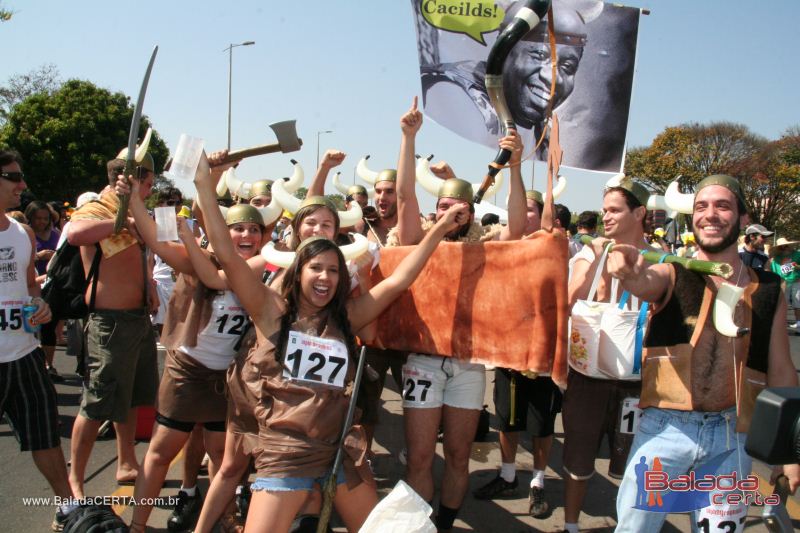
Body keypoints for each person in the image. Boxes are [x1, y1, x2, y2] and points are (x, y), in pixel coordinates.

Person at [193, 148, 469, 533]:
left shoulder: (347, 318)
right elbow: (225, 251)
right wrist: (204, 181)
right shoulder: (271, 310)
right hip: (285, 456)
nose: (325, 278)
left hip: (337, 454)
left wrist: (439, 229)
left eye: (333, 271)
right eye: (316, 269)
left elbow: (399, 280)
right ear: (298, 272)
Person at [606, 175, 800, 531]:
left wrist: (788, 451)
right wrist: (630, 273)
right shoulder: (673, 271)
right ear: (693, 219)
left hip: (733, 437)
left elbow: (782, 370)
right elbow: (646, 282)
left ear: (742, 220)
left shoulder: (769, 288)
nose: (710, 214)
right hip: (664, 432)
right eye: (701, 207)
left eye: (722, 206)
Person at [393, 96, 526, 531]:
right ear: (436, 210)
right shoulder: (416, 238)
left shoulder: (484, 241)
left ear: (471, 211)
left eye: (460, 208)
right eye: (443, 208)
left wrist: (517, 168)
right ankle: (419, 524)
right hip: (423, 361)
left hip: (469, 365)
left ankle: (445, 524)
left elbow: (520, 229)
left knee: (457, 455)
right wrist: (408, 138)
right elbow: (402, 195)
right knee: (417, 456)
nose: (451, 214)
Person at [116, 175, 268, 532]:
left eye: (254, 230)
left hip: (227, 379)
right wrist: (135, 198)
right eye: (238, 229)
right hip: (188, 372)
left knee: (221, 457)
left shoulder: (266, 269)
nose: (247, 236)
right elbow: (158, 238)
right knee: (161, 451)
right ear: (222, 232)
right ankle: (138, 524)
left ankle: (224, 522)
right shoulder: (200, 261)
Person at [66, 144, 160, 499]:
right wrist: (124, 219)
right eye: (148, 183)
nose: (150, 191)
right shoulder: (98, 208)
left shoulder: (133, 209)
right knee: (97, 402)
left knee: (133, 396)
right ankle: (75, 479)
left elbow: (141, 254)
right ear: (137, 179)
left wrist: (149, 283)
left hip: (137, 320)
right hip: (109, 323)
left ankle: (126, 461)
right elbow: (76, 233)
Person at [560, 179, 650, 533]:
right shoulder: (590, 252)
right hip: (588, 377)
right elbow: (566, 304)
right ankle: (570, 526)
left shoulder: (659, 258)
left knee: (634, 465)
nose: (606, 217)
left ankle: (632, 525)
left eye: (615, 210)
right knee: (577, 462)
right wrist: (595, 259)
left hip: (636, 384)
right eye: (605, 210)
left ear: (639, 213)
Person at [473, 191, 564, 519]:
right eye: (519, 208)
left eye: (530, 209)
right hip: (508, 352)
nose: (522, 215)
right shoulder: (501, 247)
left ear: (542, 214)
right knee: (508, 419)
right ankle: (508, 474)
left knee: (542, 425)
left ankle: (538, 482)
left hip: (543, 356)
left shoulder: (559, 249)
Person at [0, 150, 76, 530]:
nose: (22, 185)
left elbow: (30, 283)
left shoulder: (21, 233)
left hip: (25, 354)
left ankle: (67, 506)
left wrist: (39, 303)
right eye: (13, 176)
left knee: (45, 436)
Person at [421, 4, 586, 158]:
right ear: (504, 50)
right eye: (540, 56)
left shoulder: (544, 137)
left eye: (568, 67)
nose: (552, 78)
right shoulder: (452, 92)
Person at [24, 199, 63, 380]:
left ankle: (48, 364)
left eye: (45, 218)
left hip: (52, 285)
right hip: (30, 284)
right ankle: (31, 365)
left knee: (48, 326)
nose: (42, 222)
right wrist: (39, 255)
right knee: (31, 326)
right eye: (38, 218)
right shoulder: (25, 234)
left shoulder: (56, 234)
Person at [768, 237, 800, 330]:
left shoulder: (798, 255)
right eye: (782, 247)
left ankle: (799, 324)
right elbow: (774, 272)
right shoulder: (776, 259)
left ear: (790, 246)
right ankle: (781, 324)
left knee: (797, 303)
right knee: (782, 304)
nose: (785, 248)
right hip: (782, 283)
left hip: (796, 282)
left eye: (786, 246)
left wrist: (797, 266)